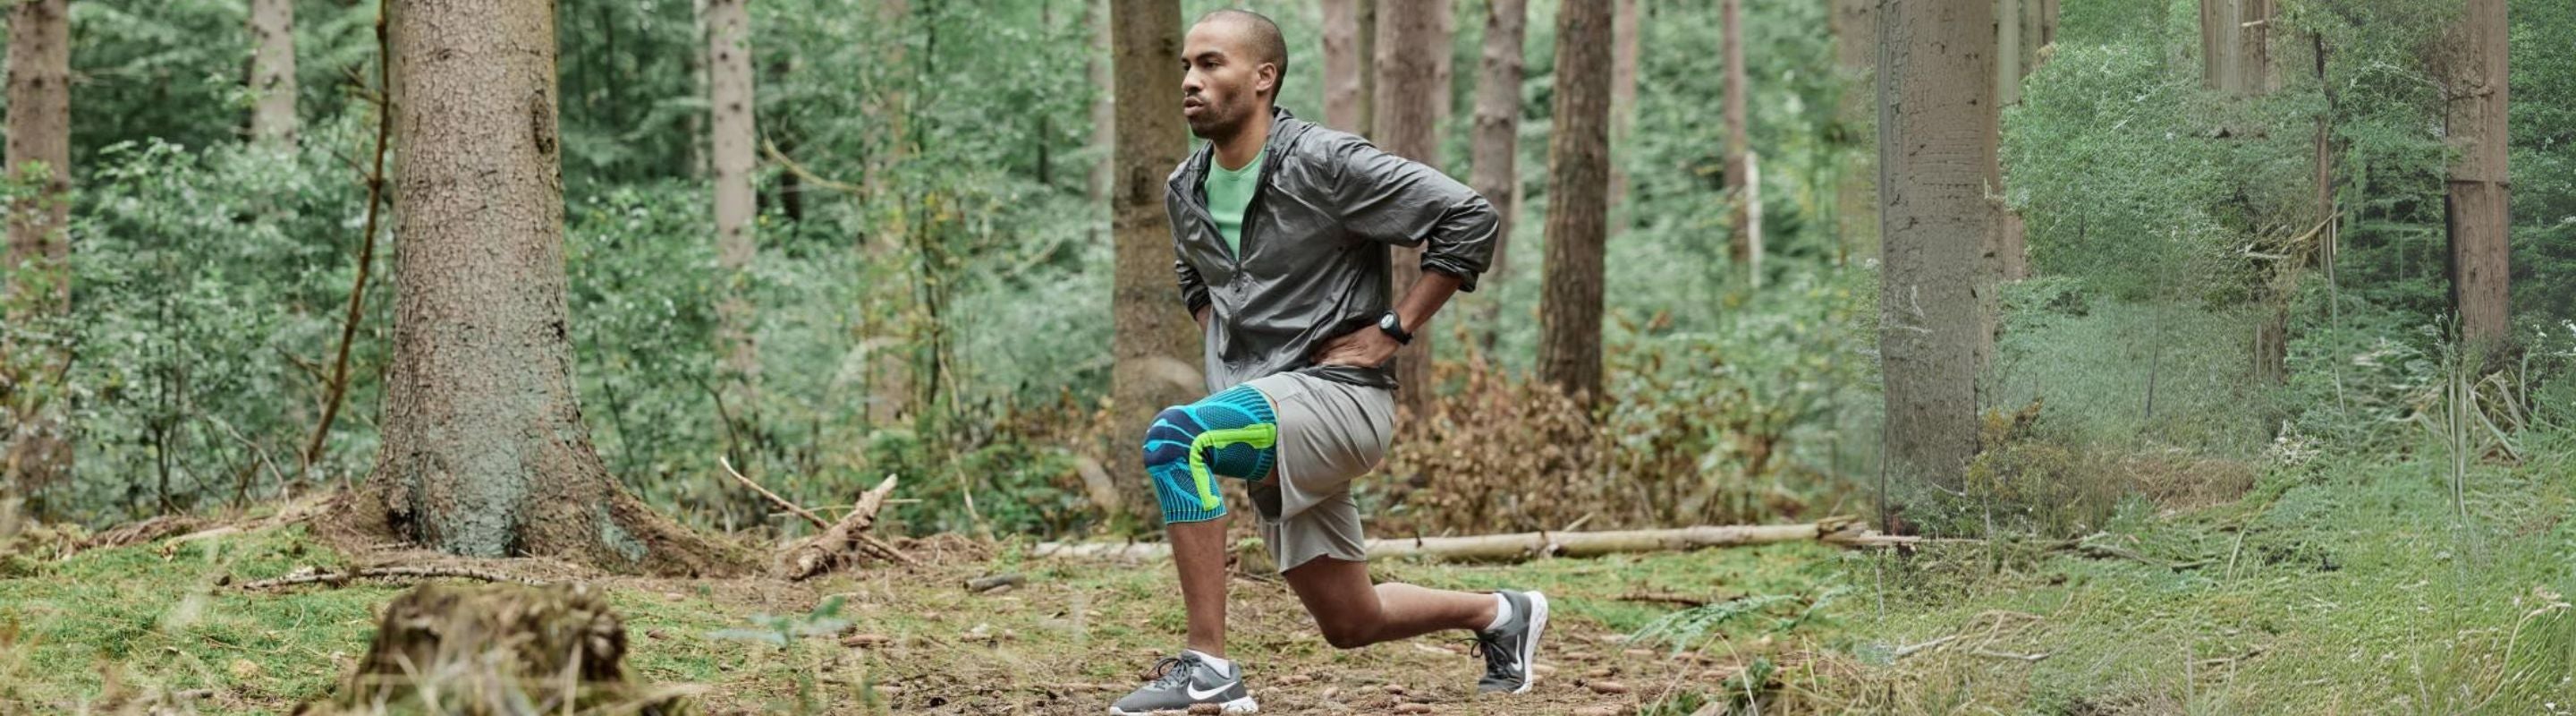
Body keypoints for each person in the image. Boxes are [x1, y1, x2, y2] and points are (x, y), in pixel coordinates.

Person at [1109, 9, 1546, 715]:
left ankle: (1208, 667)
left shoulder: (1325, 161)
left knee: (1176, 437)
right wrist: (1231, 363)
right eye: (1186, 65)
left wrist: (1393, 330)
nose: (1190, 79)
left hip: (1342, 398)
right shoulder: (1184, 187)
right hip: (1265, 412)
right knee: (1350, 620)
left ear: (1264, 77)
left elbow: (1468, 217)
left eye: (1211, 63)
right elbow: (1195, 277)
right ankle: (1501, 613)